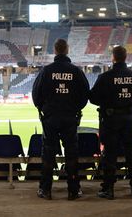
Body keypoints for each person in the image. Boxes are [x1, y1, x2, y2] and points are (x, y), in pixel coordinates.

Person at [32, 38, 90, 201]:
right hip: (70, 118)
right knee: (72, 154)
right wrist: (75, 108)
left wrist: (44, 109)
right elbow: (85, 94)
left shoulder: (46, 71)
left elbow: (36, 94)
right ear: (67, 50)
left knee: (48, 154)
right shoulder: (76, 71)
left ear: (55, 51)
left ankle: (45, 190)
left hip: (50, 118)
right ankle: (73, 190)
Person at [89, 45, 132, 199]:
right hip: (129, 119)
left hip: (111, 119)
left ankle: (109, 189)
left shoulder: (106, 77)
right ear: (125, 57)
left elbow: (93, 98)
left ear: (113, 57)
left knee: (110, 155)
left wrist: (108, 101)